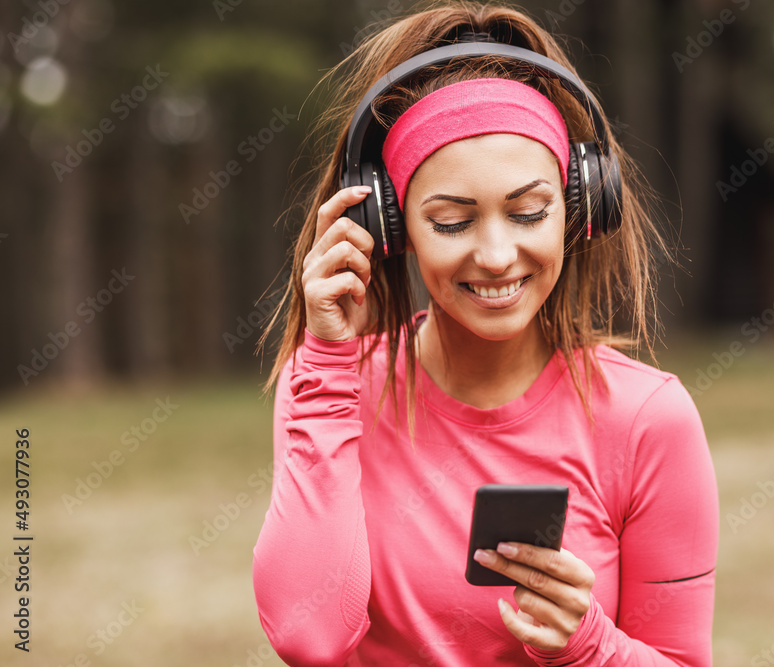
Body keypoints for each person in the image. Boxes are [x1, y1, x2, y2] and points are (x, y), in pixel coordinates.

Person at [252, 2, 718, 665]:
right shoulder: (329, 387)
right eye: (451, 221)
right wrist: (327, 361)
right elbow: (308, 635)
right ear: (392, 227)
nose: (497, 254)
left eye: (529, 211)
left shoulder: (649, 420)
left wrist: (590, 645)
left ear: (579, 206)